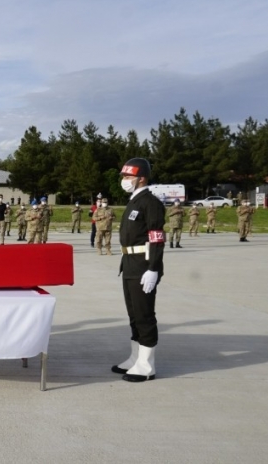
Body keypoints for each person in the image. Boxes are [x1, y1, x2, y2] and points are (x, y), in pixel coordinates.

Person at [114, 158, 165, 383]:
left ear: (141, 178)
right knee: (134, 314)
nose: (124, 181)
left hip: (143, 265)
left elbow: (156, 237)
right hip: (129, 263)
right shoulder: (134, 201)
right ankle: (135, 357)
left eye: (128, 177)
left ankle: (147, 366)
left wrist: (153, 268)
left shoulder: (149, 202)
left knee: (144, 315)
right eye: (124, 177)